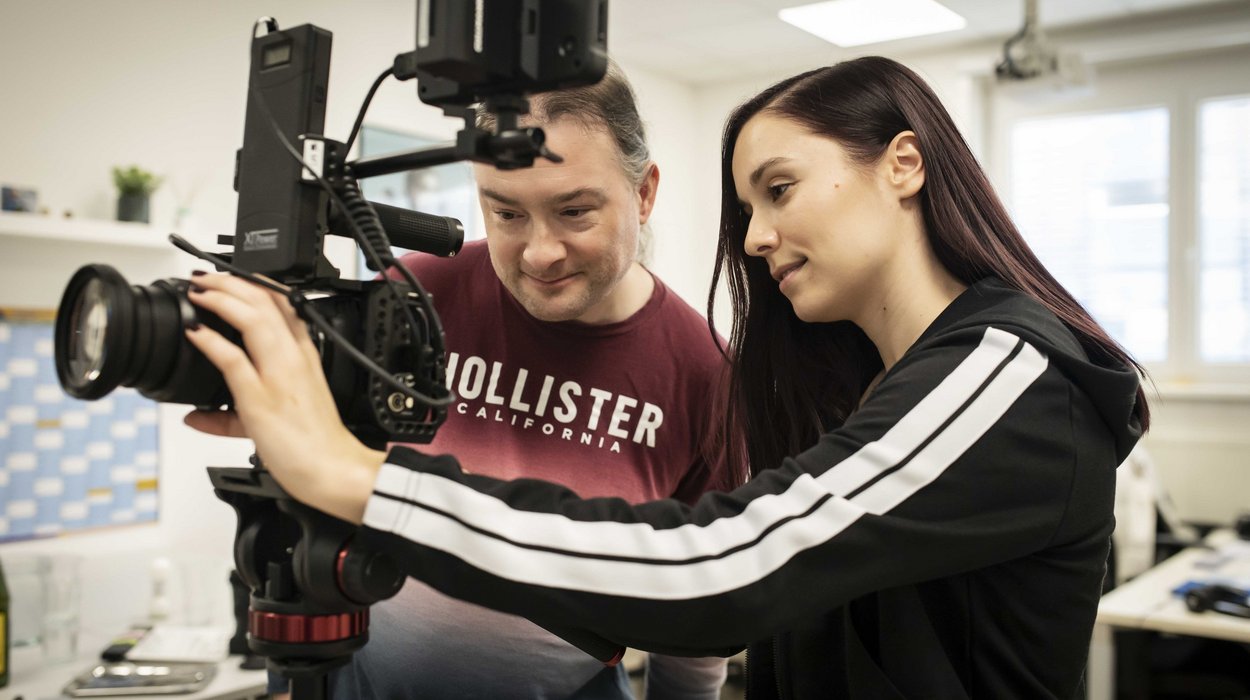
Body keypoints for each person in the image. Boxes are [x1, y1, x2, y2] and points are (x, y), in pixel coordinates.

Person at [185, 56, 1149, 699]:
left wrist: (360, 481)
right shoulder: (871, 384)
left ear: (903, 165)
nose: (757, 237)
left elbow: (718, 570)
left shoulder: (1006, 373)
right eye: (748, 207)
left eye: (780, 189)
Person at [269, 62, 739, 699]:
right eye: (507, 213)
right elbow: (311, 492)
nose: (540, 252)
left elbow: (698, 609)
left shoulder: (706, 372)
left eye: (574, 211)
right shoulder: (413, 299)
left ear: (643, 192)